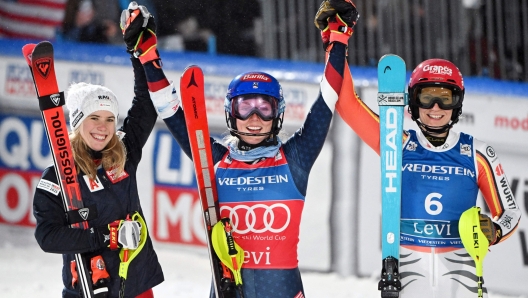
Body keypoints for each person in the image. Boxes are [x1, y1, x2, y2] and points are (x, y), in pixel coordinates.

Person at [145, 1, 358, 297]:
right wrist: (146, 56)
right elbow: (171, 113)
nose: (254, 119)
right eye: (245, 107)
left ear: (278, 114)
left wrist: (338, 40)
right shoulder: (214, 160)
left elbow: (327, 99)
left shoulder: (295, 158)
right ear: (231, 114)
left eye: (264, 108)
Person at [333, 42, 522, 297]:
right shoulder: (394, 143)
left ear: (457, 104)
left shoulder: (477, 153)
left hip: (461, 278)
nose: (436, 107)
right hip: (409, 276)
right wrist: (336, 42)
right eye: (427, 96)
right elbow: (347, 104)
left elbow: (510, 212)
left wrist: (495, 230)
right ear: (413, 101)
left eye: (445, 98)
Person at [33, 2, 171, 297]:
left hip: (136, 285)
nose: (103, 126)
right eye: (94, 118)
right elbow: (47, 236)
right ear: (78, 123)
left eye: (109, 118)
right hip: (87, 287)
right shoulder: (56, 176)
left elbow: (145, 105)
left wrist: (138, 52)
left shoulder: (123, 152)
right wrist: (104, 237)